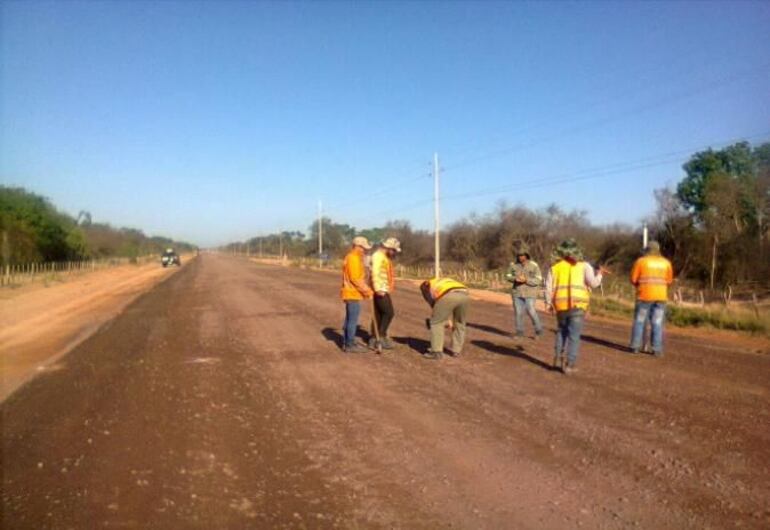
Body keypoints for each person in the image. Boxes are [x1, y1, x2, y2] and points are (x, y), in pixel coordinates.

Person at [544, 239, 606, 375]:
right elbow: (594, 284)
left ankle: (557, 360)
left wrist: (548, 304)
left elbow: (548, 288)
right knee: (574, 336)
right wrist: (600, 274)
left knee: (561, 332)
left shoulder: (555, 267)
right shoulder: (584, 266)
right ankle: (570, 365)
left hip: (560, 305)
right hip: (578, 305)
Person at [629, 240, 673, 357]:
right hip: (661, 297)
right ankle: (657, 349)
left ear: (647, 250)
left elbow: (633, 279)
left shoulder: (641, 261)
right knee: (657, 322)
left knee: (640, 321)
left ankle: (635, 346)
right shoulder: (666, 263)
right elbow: (669, 281)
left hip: (644, 296)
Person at [420, 277, 470, 360]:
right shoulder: (440, 281)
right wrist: (447, 319)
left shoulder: (425, 286)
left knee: (436, 322)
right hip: (465, 295)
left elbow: (433, 303)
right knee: (460, 323)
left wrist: (442, 318)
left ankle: (436, 352)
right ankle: (456, 350)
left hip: (448, 295)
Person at [340, 236, 374, 353]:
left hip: (351, 293)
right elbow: (355, 279)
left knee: (349, 319)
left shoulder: (353, 258)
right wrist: (367, 291)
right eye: (363, 248)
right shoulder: (353, 259)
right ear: (357, 246)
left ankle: (348, 341)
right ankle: (349, 344)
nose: (365, 250)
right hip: (352, 293)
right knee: (352, 320)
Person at [504, 243, 544, 340]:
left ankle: (539, 331)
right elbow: (507, 276)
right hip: (517, 292)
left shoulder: (534, 266)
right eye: (519, 255)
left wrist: (527, 280)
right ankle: (519, 333)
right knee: (518, 313)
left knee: (531, 310)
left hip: (530, 292)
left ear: (527, 256)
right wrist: (515, 279)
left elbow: (538, 279)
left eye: (522, 255)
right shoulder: (513, 266)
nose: (520, 257)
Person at [369, 237, 401, 351]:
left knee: (379, 314)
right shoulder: (378, 256)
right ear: (388, 248)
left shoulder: (383, 257)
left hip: (382, 288)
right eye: (394, 250)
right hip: (380, 289)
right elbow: (375, 272)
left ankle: (374, 338)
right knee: (389, 313)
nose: (394, 253)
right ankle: (380, 337)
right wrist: (378, 288)